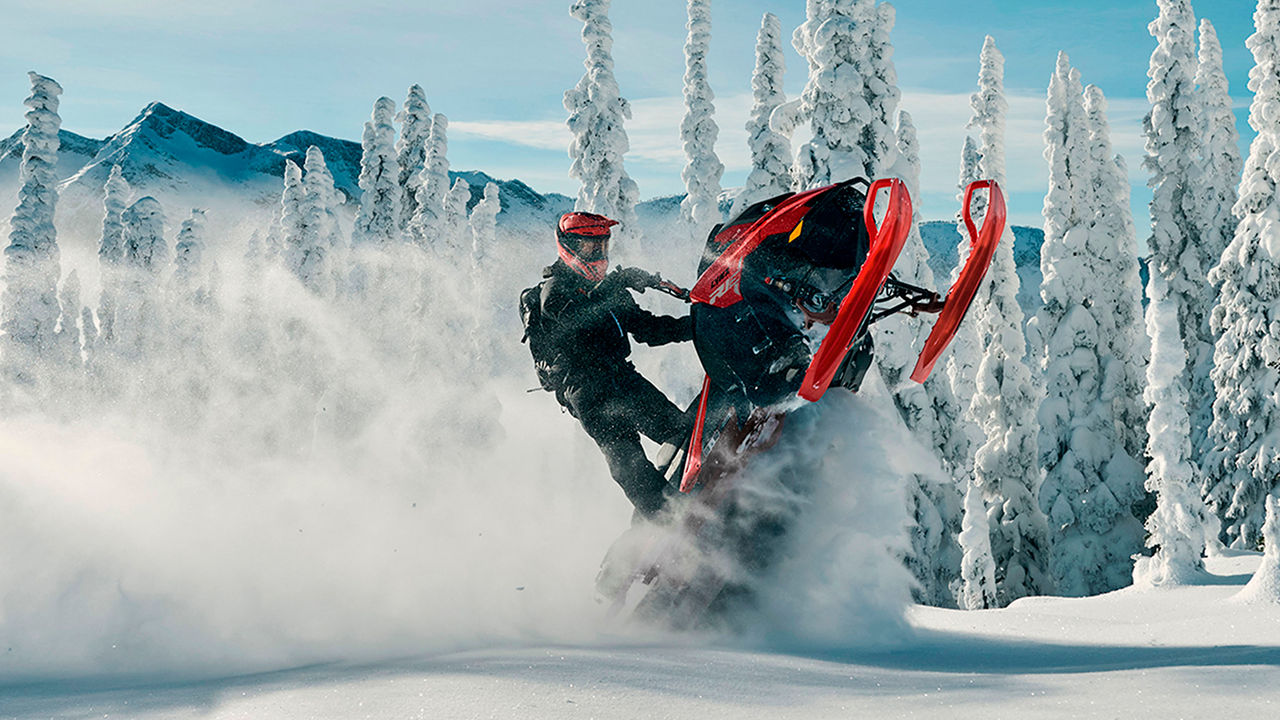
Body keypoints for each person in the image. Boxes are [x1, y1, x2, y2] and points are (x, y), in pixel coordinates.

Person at [521, 211, 692, 518]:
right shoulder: (554, 291)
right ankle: (669, 527)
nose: (599, 255)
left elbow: (648, 329)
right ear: (569, 247)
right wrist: (616, 284)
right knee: (630, 465)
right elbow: (579, 322)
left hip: (622, 377)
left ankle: (706, 489)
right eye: (590, 248)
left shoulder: (608, 291)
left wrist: (697, 325)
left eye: (602, 247)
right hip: (587, 391)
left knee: (680, 430)